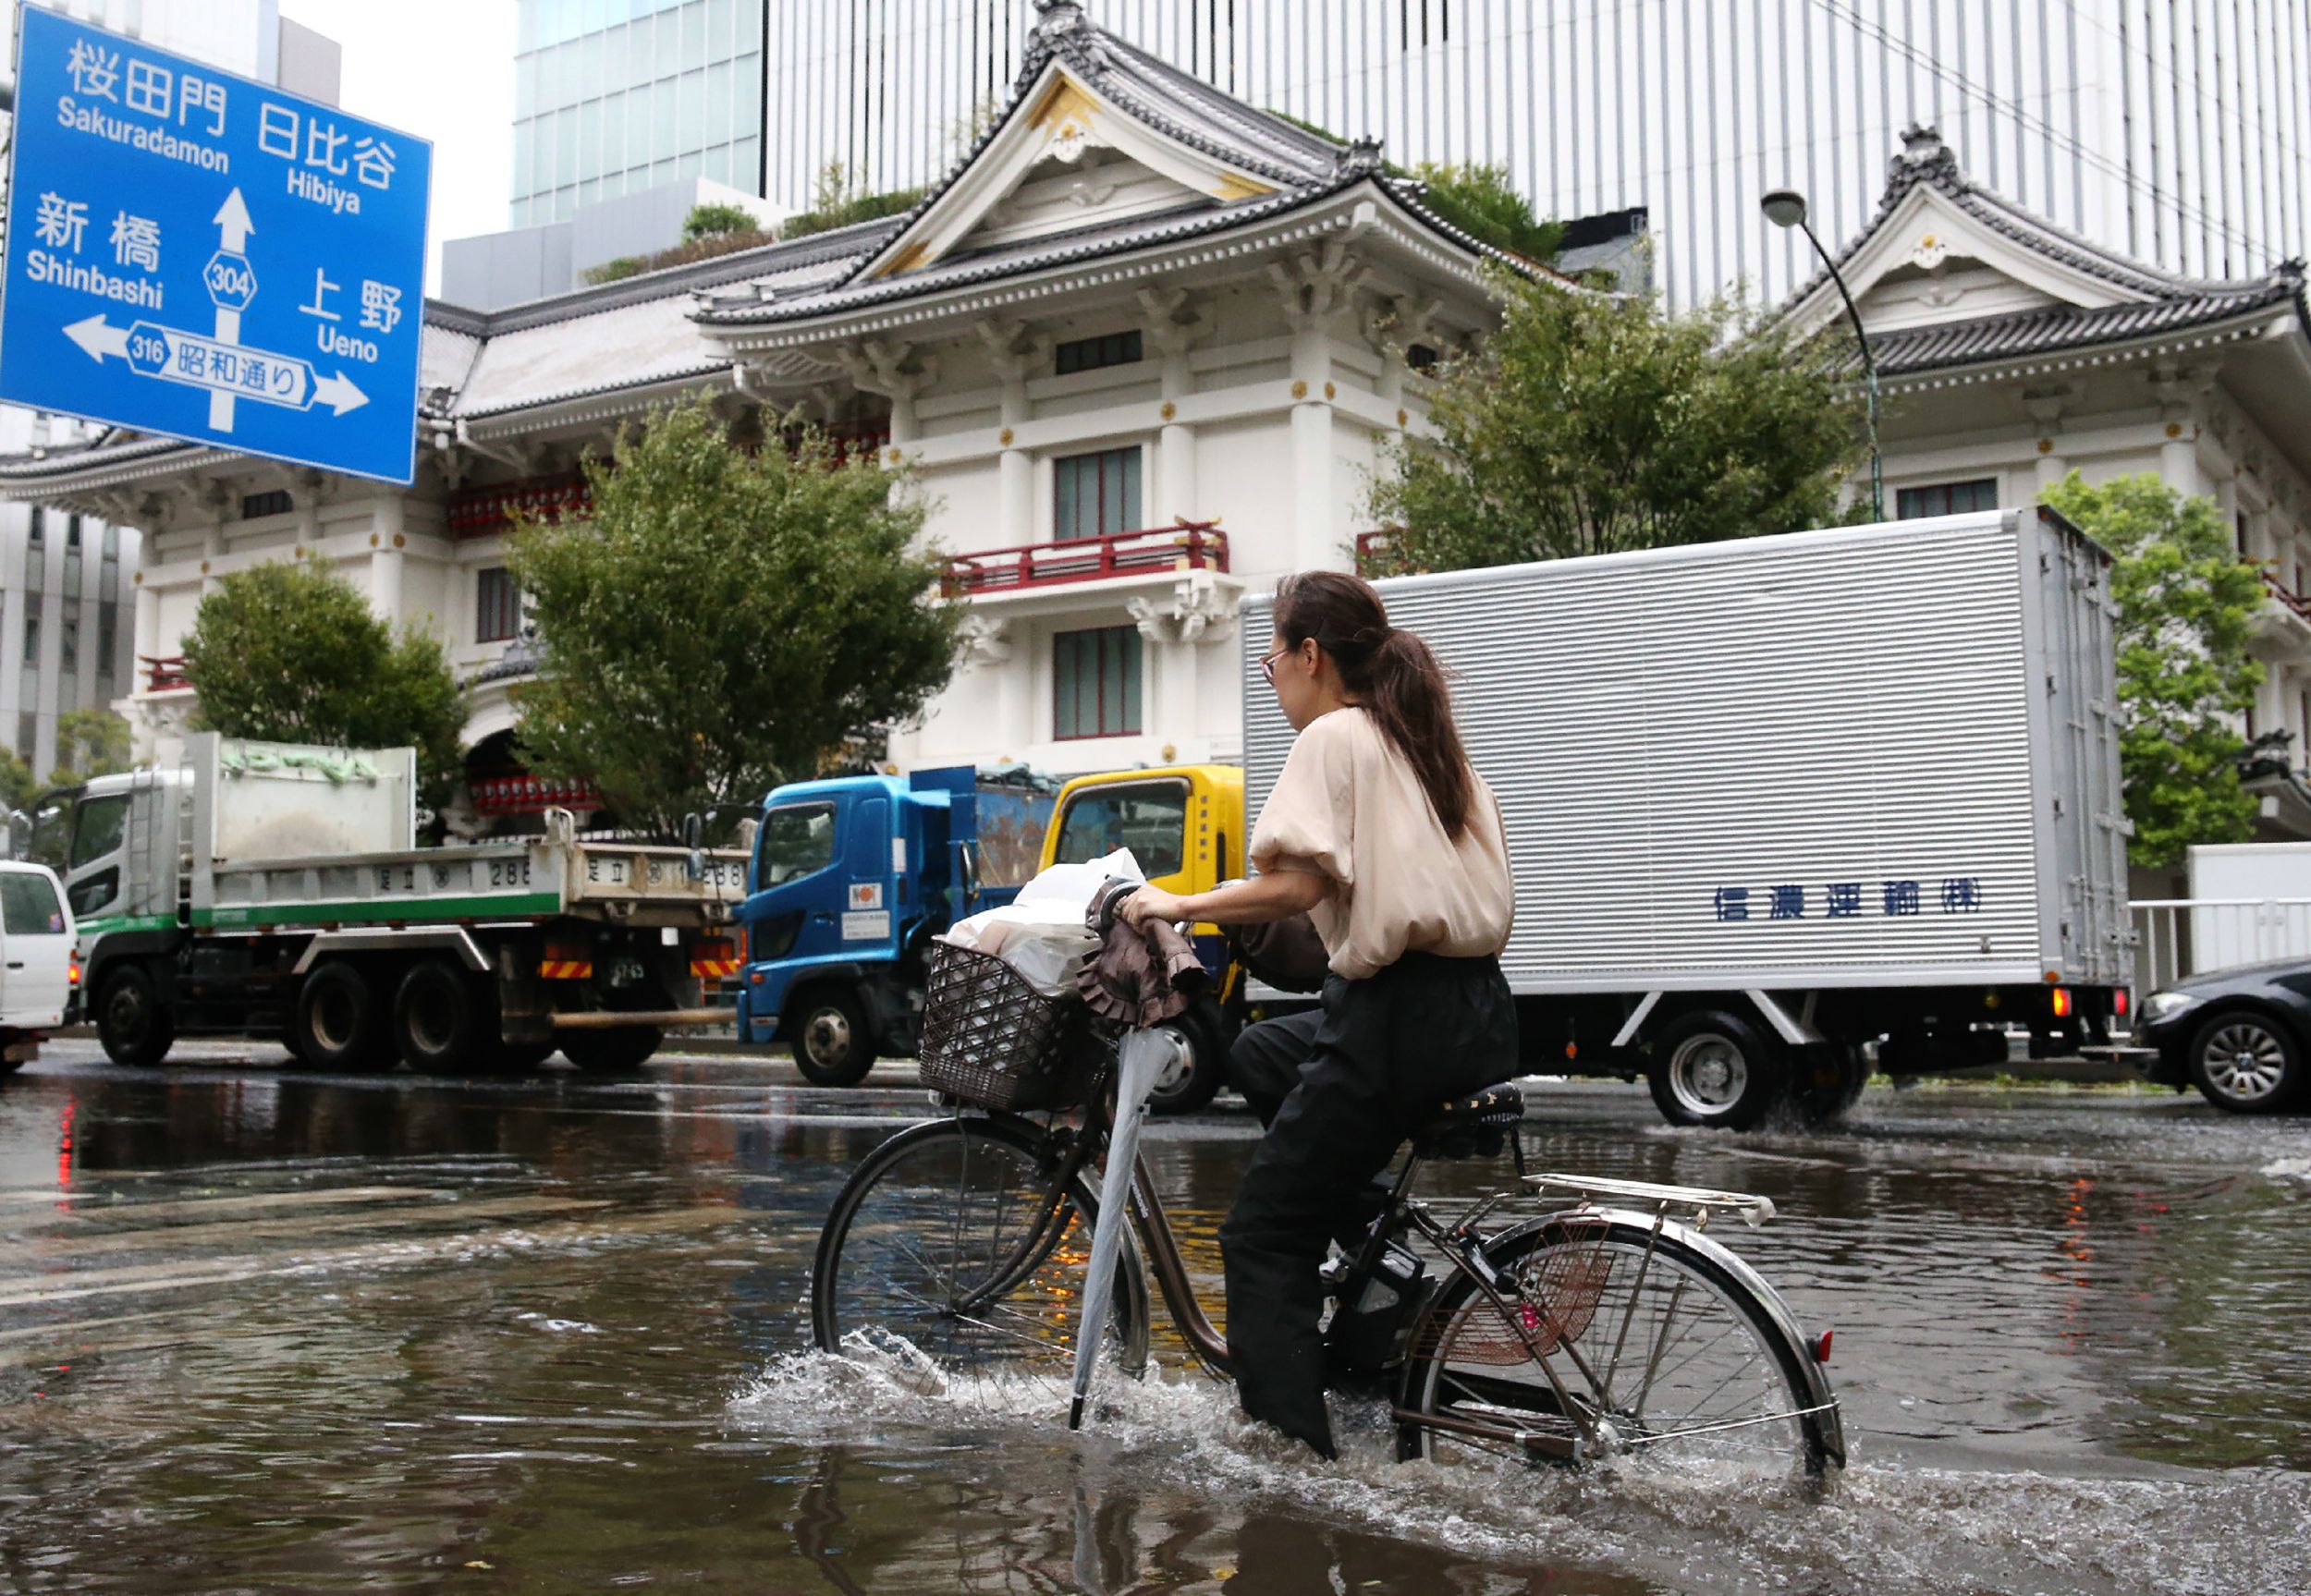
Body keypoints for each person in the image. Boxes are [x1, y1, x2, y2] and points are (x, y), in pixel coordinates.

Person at [1119, 570, 1519, 1460]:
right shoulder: (1422, 736)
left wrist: (1177, 906)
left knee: (1262, 1232)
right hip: (1473, 1010)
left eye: (1272, 660)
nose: (1274, 677)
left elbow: (1299, 884)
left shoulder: (1337, 734)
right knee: (1263, 1052)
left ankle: (1292, 1461)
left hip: (1395, 1023)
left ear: (1310, 655)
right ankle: (1386, 1258)